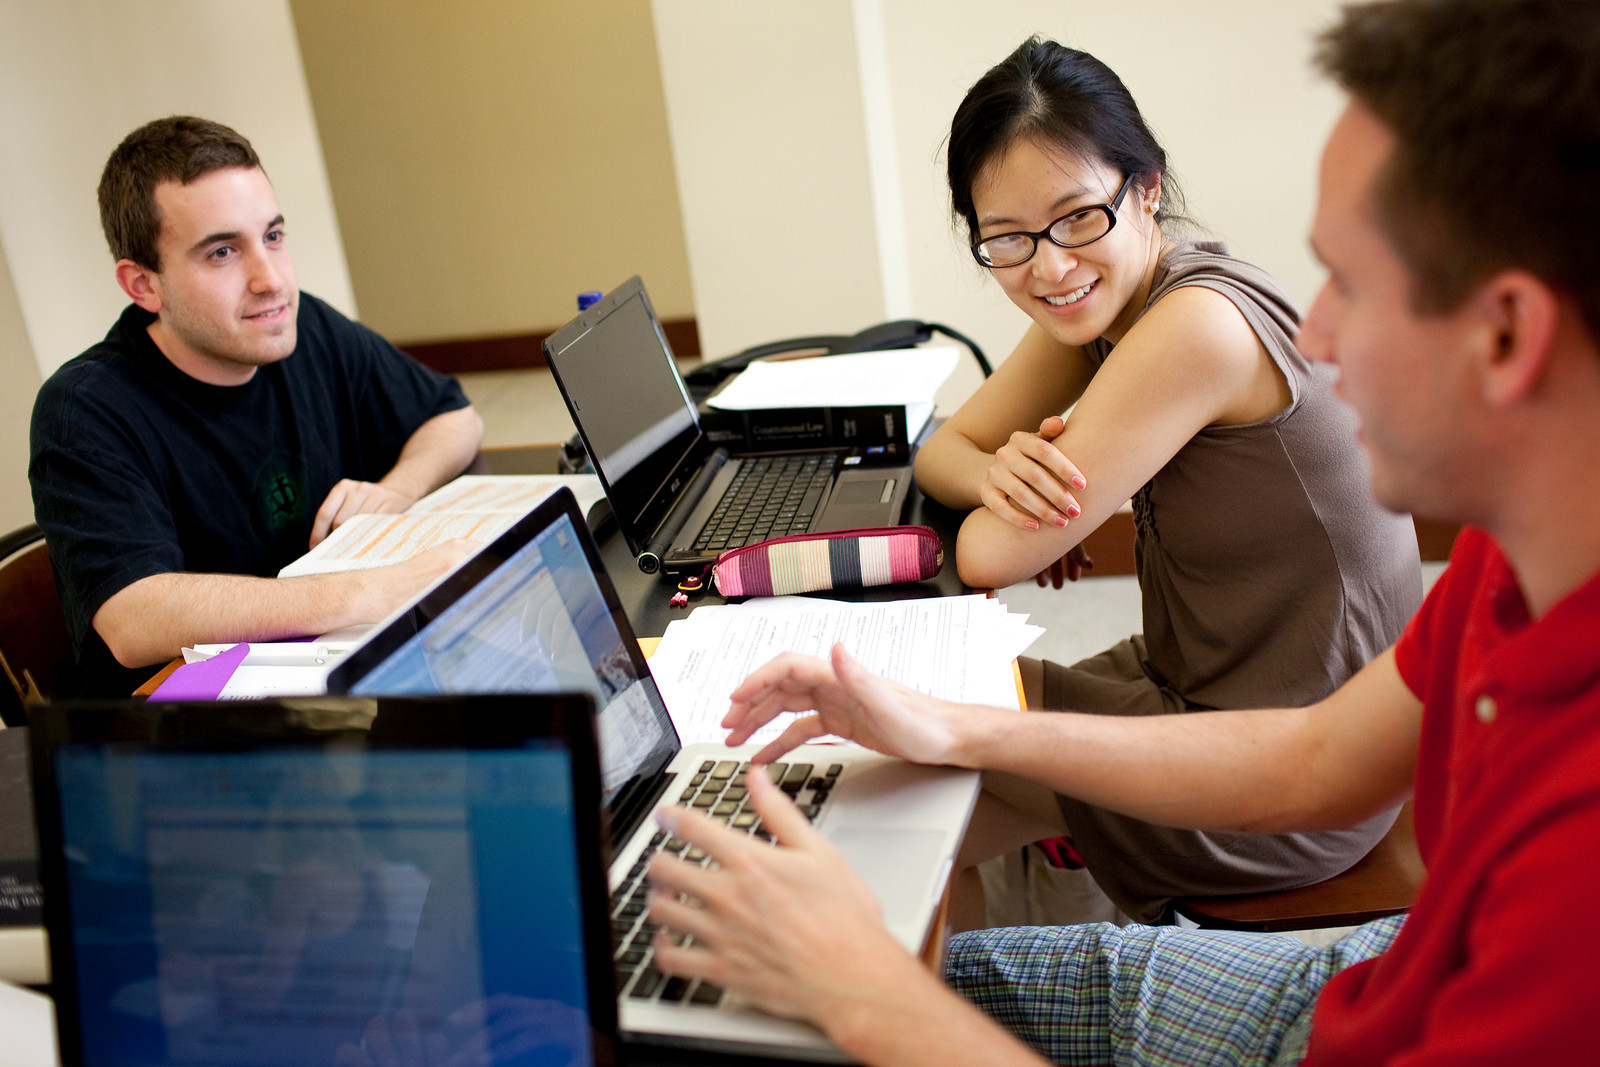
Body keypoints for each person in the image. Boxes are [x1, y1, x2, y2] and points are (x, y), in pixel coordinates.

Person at [642, 0, 1600, 1061]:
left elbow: (997, 549)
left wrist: (869, 992)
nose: (1311, 332)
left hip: (1303, 867)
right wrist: (957, 724)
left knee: (852, 935)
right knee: (904, 805)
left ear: (1507, 330)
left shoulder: (1575, 870)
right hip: (1359, 960)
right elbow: (1314, 755)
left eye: (1350, 281)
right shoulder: (1502, 570)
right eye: (1007, 236)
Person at [913, 37, 1421, 925]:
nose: (1050, 266)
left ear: (1145, 189)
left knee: (914, 741)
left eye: (1078, 217)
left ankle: (968, 980)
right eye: (1008, 239)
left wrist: (1010, 498)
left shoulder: (1195, 328)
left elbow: (991, 551)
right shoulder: (1110, 295)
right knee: (925, 748)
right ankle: (1003, 948)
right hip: (1211, 682)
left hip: (1297, 771)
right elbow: (944, 449)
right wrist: (1004, 467)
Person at [30, 116, 484, 697]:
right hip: (194, 739)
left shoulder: (303, 325)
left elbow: (453, 416)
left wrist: (398, 488)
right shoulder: (85, 409)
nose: (271, 280)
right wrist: (367, 591)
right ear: (143, 285)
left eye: (272, 236)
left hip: (339, 682)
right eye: (222, 252)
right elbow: (132, 616)